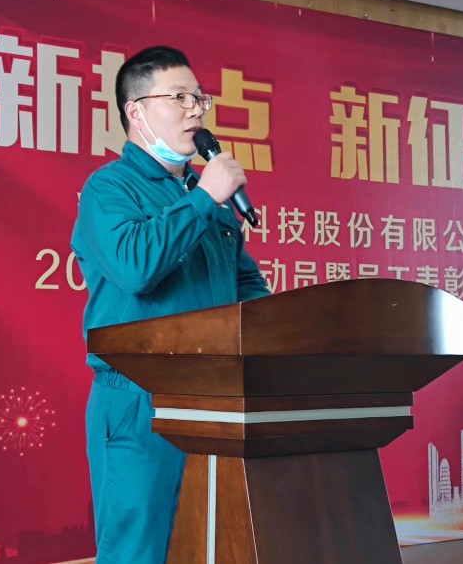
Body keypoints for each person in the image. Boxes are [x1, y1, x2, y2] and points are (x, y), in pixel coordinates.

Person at [71, 46, 271, 563]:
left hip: (213, 400)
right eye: (179, 97)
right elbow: (135, 267)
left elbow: (247, 291)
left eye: (199, 98)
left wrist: (285, 332)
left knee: (208, 547)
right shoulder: (109, 188)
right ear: (136, 111)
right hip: (141, 401)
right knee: (139, 551)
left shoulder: (208, 199)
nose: (195, 110)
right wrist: (203, 199)